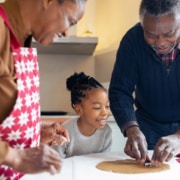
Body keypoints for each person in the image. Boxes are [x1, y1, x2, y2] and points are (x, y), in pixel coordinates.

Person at [0, 0, 86, 179]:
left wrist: (34, 133)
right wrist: (14, 157)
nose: (65, 32)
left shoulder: (22, 39)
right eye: (70, 21)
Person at [109, 0, 180, 167]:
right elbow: (120, 91)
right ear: (142, 26)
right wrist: (131, 128)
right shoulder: (132, 40)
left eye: (170, 33)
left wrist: (178, 137)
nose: (161, 43)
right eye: (152, 35)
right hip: (147, 127)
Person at [54, 72, 112, 158]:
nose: (105, 112)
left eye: (107, 106)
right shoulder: (66, 131)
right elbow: (56, 161)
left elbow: (103, 160)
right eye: (97, 107)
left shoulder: (106, 131)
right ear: (79, 109)